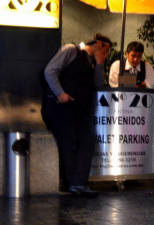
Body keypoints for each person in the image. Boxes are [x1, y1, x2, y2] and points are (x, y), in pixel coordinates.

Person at [42, 33, 112, 196]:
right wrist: (60, 93)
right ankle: (73, 183)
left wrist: (100, 63)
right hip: (65, 108)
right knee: (70, 143)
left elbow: (98, 84)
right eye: (105, 51)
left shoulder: (92, 62)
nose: (106, 55)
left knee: (87, 141)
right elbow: (50, 71)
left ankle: (78, 182)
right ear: (98, 44)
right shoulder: (71, 51)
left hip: (82, 109)